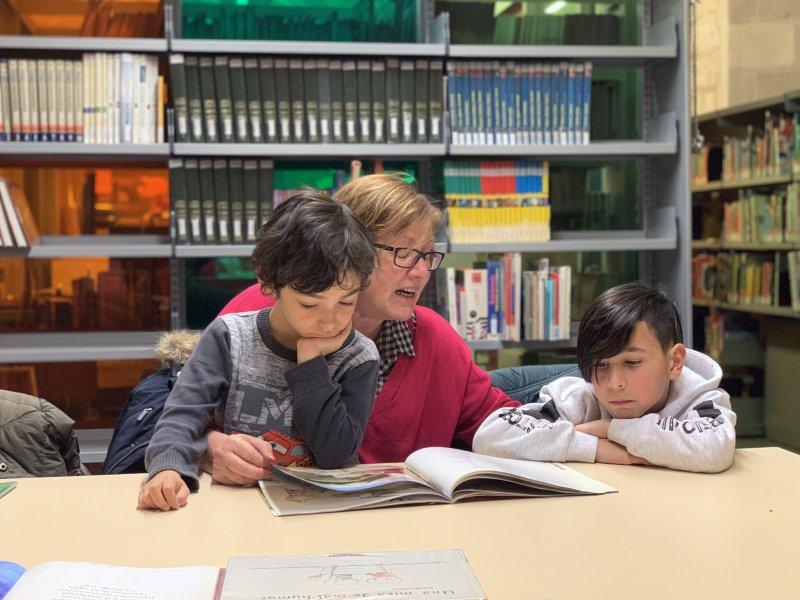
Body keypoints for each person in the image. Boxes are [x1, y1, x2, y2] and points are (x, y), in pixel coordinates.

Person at [202, 173, 569, 486]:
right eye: (404, 252)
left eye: (427, 255)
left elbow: (497, 422)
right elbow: (168, 408)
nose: (421, 271)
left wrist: (591, 441)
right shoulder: (263, 308)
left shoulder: (433, 337)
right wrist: (209, 448)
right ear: (351, 251)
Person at [138, 191, 380, 510]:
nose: (329, 320)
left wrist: (310, 361)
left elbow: (336, 455)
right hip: (232, 505)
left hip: (317, 512)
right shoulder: (229, 335)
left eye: (346, 302)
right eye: (309, 304)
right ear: (268, 282)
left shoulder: (359, 357)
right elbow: (183, 413)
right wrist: (167, 468)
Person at [473, 283, 736, 473]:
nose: (614, 383)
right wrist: (596, 448)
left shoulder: (702, 399)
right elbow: (491, 435)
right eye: (601, 365)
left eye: (632, 363)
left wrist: (609, 429)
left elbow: (716, 450)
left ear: (674, 361)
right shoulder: (579, 397)